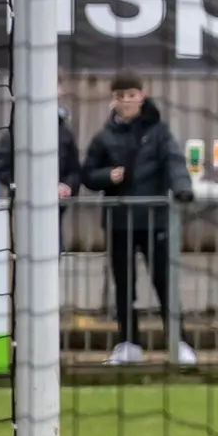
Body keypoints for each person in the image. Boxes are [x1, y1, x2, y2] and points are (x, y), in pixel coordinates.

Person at [82, 71, 197, 367]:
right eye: (120, 96)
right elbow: (88, 174)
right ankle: (128, 342)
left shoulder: (158, 132)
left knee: (164, 283)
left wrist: (183, 188)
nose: (126, 101)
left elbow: (173, 162)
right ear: (114, 100)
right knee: (124, 285)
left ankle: (179, 342)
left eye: (131, 95)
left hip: (155, 222)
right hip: (120, 222)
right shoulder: (104, 136)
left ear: (141, 96)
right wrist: (107, 176)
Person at [0, 71, 82, 242]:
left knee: (53, 258)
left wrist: (67, 186)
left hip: (54, 213)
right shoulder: (15, 133)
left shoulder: (64, 133)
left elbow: (75, 170)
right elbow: (3, 169)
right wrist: (26, 187)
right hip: (23, 212)